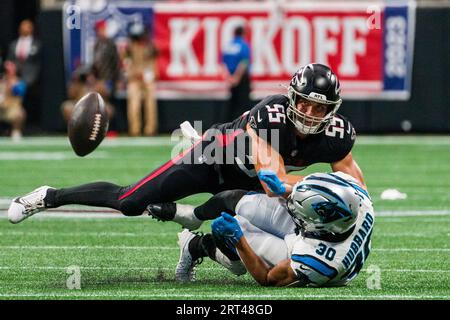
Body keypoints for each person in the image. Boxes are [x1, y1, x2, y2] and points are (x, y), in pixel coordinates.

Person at [8, 63, 365, 227]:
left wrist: (354, 208)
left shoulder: (337, 136)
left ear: (331, 111)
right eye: (303, 102)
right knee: (130, 202)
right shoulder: (270, 113)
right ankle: (49, 195)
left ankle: (188, 227)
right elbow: (272, 178)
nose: (308, 112)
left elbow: (357, 189)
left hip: (248, 184)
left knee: (246, 250)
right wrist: (320, 191)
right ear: (291, 98)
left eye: (318, 107)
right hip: (212, 158)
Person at [175, 172, 374, 287]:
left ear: (318, 224)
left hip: (310, 248)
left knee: (233, 232)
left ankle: (198, 247)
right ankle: (193, 216)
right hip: (318, 233)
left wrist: (239, 241)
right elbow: (322, 189)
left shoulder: (320, 263)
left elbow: (267, 278)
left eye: (299, 211)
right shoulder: (357, 196)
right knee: (233, 200)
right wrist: (286, 189)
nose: (291, 205)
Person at [123, 22, 159, 136]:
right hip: (134, 79)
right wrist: (133, 74)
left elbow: (153, 64)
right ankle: (135, 130)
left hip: (148, 78)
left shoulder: (150, 46)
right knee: (134, 104)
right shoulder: (128, 48)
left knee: (150, 104)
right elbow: (126, 64)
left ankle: (150, 129)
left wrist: (149, 75)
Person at [7, 19, 41, 126]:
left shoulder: (37, 44)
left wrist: (26, 80)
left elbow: (36, 65)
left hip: (30, 78)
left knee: (19, 89)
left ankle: (20, 119)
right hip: (14, 77)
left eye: (27, 26)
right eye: (22, 26)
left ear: (31, 29)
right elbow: (10, 61)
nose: (24, 28)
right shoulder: (14, 44)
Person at [222, 25, 251, 121]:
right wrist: (237, 77)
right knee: (243, 104)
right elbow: (244, 62)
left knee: (232, 104)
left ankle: (229, 125)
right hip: (241, 78)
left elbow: (223, 63)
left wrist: (229, 78)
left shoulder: (228, 46)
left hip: (231, 78)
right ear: (243, 33)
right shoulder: (243, 45)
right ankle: (243, 126)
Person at [0, 61, 27, 140]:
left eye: (9, 70)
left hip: (11, 110)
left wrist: (11, 86)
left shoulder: (18, 82)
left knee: (21, 113)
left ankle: (16, 132)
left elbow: (20, 92)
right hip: (1, 109)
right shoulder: (1, 82)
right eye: (5, 70)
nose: (7, 73)